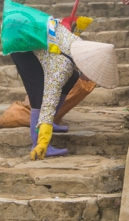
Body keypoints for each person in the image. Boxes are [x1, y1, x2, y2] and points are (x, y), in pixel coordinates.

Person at [27, 22, 119, 160]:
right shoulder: (62, 67)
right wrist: (43, 142)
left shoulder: (79, 46)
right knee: (39, 94)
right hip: (21, 40)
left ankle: (51, 121)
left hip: (40, 34)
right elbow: (49, 100)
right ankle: (37, 143)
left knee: (73, 78)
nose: (90, 79)